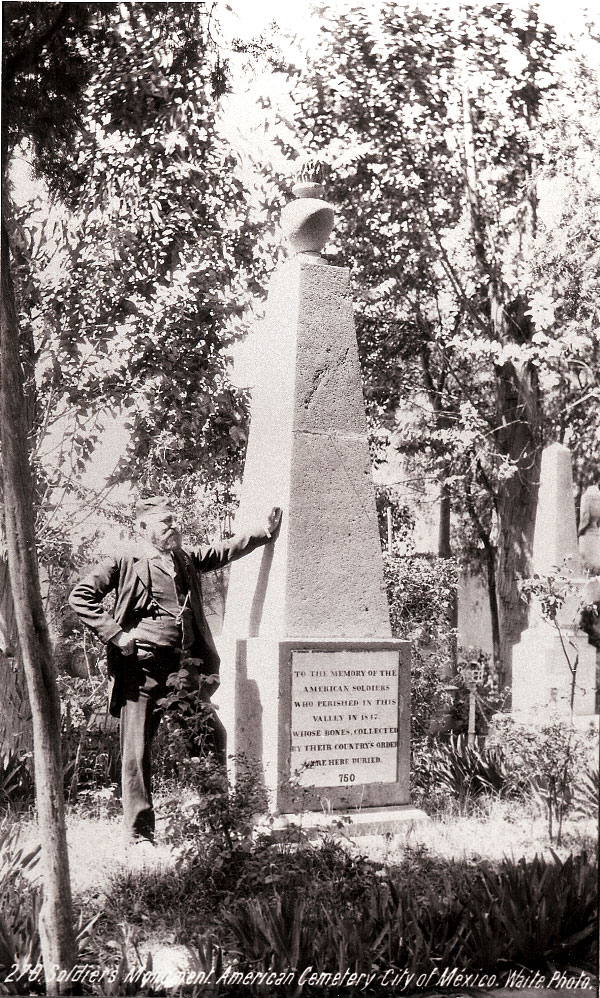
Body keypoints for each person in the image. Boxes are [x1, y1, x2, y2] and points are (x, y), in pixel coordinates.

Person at [69, 497, 281, 845]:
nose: (172, 526)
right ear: (143, 527)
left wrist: (262, 532)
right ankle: (139, 834)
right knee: (137, 751)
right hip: (140, 671)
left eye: (173, 520)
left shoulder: (183, 558)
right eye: (164, 521)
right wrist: (117, 635)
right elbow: (81, 596)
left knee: (211, 736)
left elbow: (222, 550)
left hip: (182, 672)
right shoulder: (125, 561)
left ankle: (215, 820)